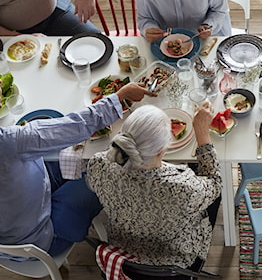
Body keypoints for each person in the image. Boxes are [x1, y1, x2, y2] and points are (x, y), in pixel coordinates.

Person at [0, 83, 154, 259]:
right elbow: (75, 126)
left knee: (72, 160)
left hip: (10, 234)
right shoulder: (7, 141)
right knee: (109, 173)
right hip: (41, 239)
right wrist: (119, 97)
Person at [86, 103, 222, 269]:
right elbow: (215, 182)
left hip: (124, 248)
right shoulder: (183, 189)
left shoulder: (98, 164)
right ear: (162, 151)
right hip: (172, 257)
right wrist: (201, 132)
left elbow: (97, 183)